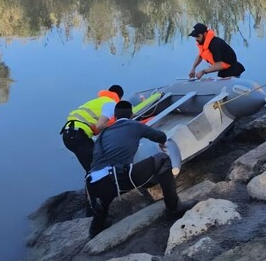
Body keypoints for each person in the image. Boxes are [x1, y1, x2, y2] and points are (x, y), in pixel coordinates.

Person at [85, 100, 192, 237]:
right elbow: (160, 136)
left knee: (104, 193)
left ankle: (96, 229)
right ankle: (173, 207)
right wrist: (162, 142)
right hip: (117, 180)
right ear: (132, 114)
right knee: (162, 159)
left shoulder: (103, 134)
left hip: (93, 183)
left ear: (115, 117)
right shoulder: (134, 125)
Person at [61, 85, 123, 172]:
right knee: (98, 164)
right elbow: (99, 126)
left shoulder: (95, 102)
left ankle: (93, 183)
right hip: (78, 135)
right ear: (119, 97)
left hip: (68, 135)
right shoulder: (111, 104)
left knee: (90, 167)